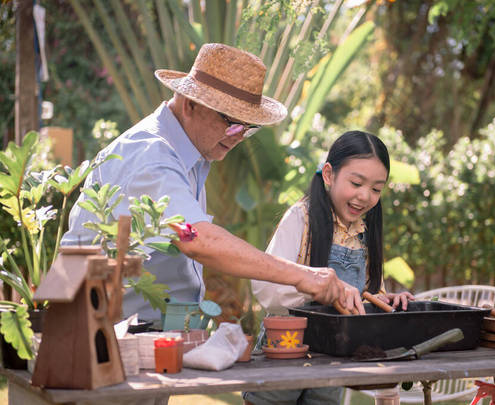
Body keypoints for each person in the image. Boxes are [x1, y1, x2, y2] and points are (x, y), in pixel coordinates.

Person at [62, 43, 364, 322]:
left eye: (247, 128)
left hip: (151, 331)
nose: (237, 138)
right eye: (230, 123)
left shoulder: (189, 154)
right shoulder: (152, 155)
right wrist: (303, 276)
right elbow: (197, 239)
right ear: (190, 104)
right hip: (101, 336)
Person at [244, 131, 415, 405]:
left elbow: (364, 296)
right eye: (357, 182)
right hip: (285, 350)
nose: (365, 196)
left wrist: (384, 302)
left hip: (333, 359)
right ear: (328, 175)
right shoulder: (301, 218)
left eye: (376, 189)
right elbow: (265, 288)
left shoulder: (364, 231)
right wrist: (320, 290)